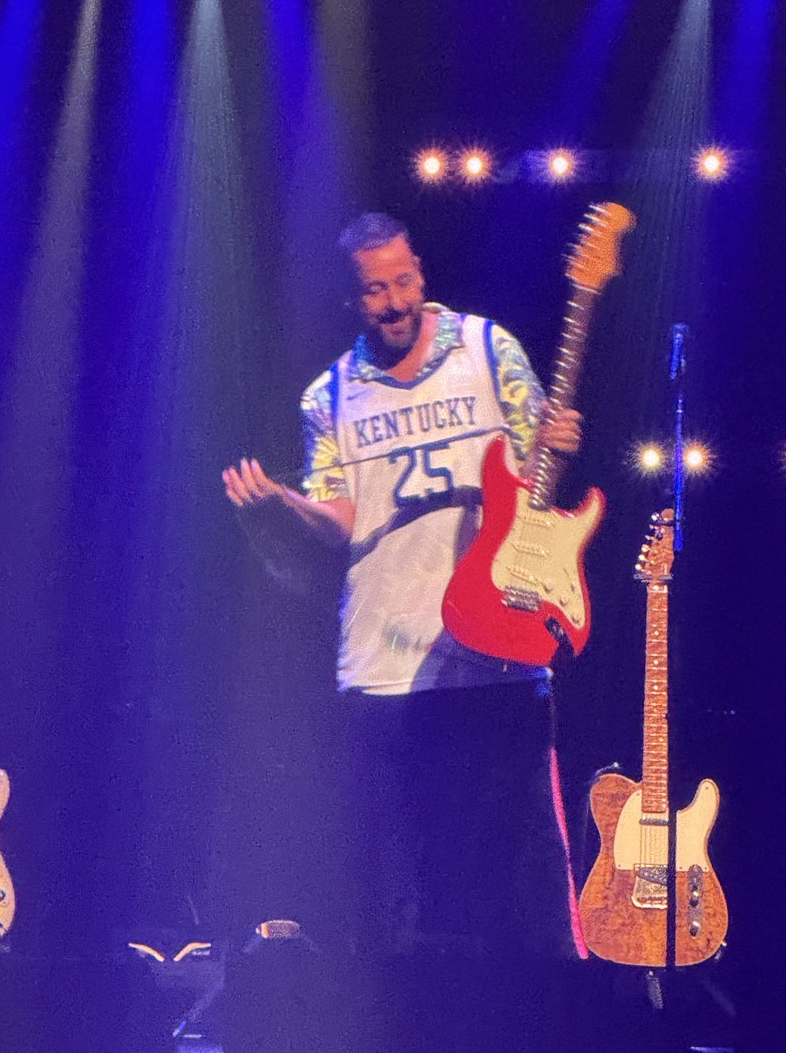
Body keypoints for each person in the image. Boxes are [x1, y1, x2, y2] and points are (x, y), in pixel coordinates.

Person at [223, 213, 586, 1017]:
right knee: (390, 886)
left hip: (498, 650)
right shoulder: (332, 395)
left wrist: (555, 441)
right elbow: (341, 517)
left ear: (420, 272)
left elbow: (535, 485)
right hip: (385, 669)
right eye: (374, 291)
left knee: (523, 873)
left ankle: (557, 1023)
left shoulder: (490, 352)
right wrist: (285, 501)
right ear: (354, 298)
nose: (393, 302)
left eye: (403, 282)